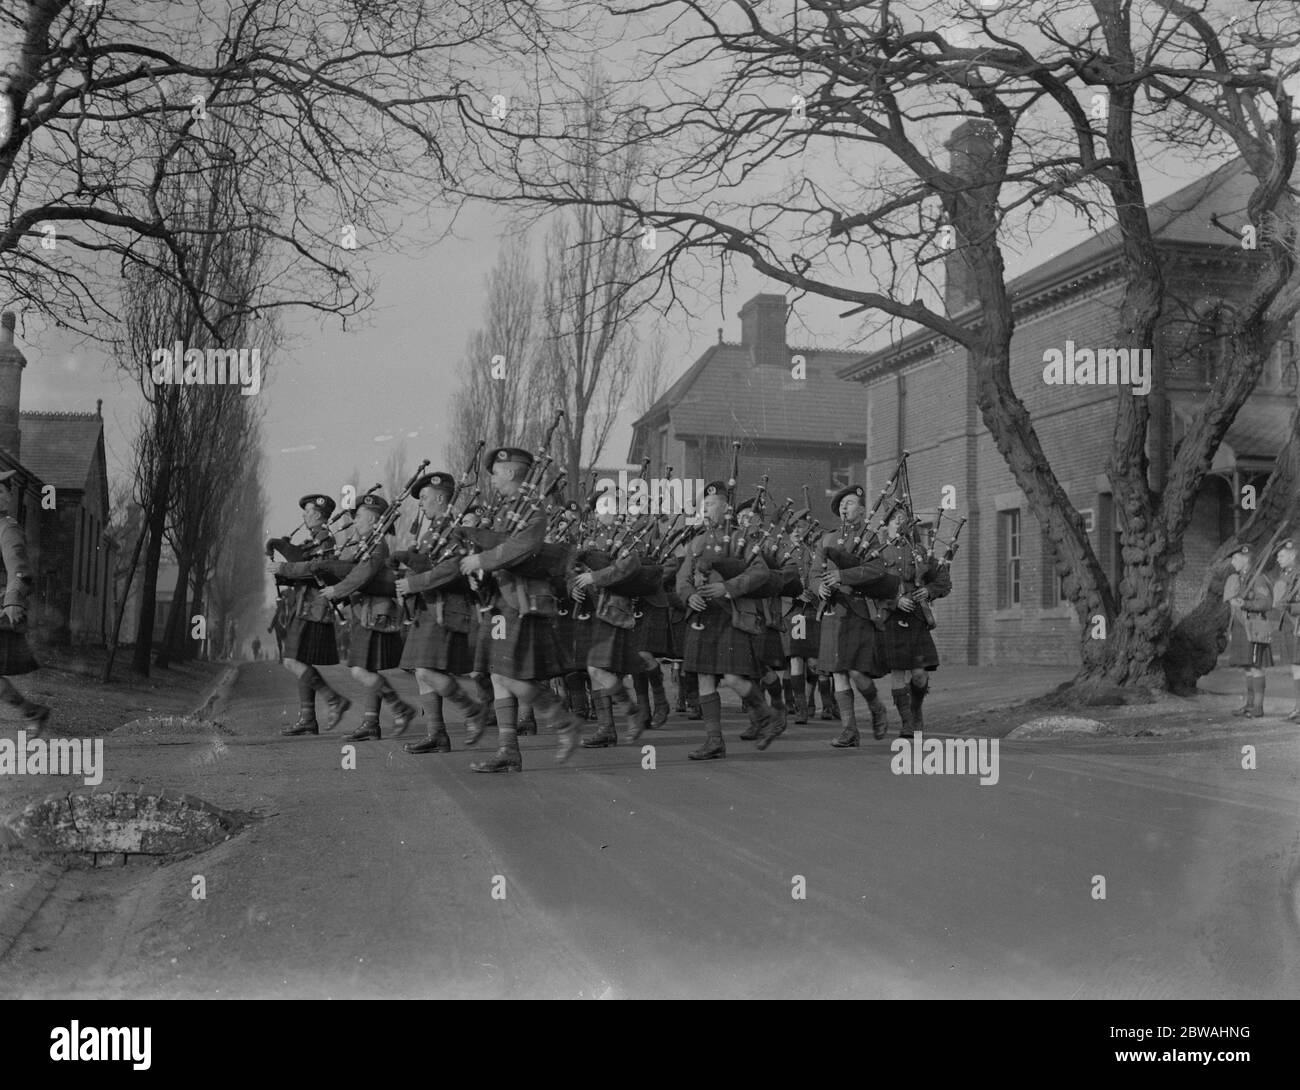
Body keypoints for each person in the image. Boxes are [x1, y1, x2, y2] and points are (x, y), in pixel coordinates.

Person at [457, 446, 579, 773]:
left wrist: (481, 560)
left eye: (496, 474)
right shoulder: (505, 511)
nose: (493, 481)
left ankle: (563, 721)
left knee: (508, 676)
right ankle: (508, 750)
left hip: (523, 602)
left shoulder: (533, 511)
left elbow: (522, 548)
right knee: (498, 675)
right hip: (501, 600)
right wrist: (480, 577)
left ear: (510, 472)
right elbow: (499, 550)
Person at [676, 481, 780, 759]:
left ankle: (767, 715)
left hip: (731, 615)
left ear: (725, 507)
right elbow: (682, 578)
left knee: (734, 677)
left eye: (711, 504)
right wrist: (688, 597)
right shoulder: (697, 541)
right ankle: (714, 740)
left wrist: (728, 587)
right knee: (704, 677)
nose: (706, 509)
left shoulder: (739, 539)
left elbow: (760, 573)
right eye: (703, 505)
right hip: (703, 616)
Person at [393, 471, 486, 753]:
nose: (420, 504)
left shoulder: (455, 528)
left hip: (446, 608)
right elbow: (429, 564)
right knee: (422, 674)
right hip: (429, 607)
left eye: (424, 498)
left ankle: (473, 712)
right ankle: (437, 734)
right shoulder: (434, 530)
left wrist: (413, 582)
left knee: (426, 670)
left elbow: (452, 568)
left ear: (441, 497)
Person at [320, 493, 417, 740]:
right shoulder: (367, 544)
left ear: (375, 521)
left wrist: (336, 590)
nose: (356, 521)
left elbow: (362, 574)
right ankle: (371, 724)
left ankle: (400, 709)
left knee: (361, 671)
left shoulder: (377, 545)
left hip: (376, 614)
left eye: (360, 517)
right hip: (367, 613)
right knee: (368, 669)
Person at [815, 485, 900, 746]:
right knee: (838, 672)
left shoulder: (872, 538)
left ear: (861, 510)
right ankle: (849, 730)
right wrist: (816, 586)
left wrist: (843, 575)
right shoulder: (826, 539)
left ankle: (876, 706)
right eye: (842, 503)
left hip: (858, 610)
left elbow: (876, 570)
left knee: (855, 670)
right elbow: (813, 574)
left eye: (850, 503)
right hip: (832, 611)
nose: (844, 507)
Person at [267, 493, 350, 735]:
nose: (304, 515)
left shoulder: (325, 540)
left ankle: (334, 700)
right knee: (300, 660)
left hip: (313, 609)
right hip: (306, 606)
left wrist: (284, 567)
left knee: (293, 660)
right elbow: (303, 567)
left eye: (308, 511)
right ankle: (308, 719)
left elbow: (317, 571)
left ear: (319, 515)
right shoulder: (316, 539)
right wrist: (284, 562)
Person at [874, 507, 951, 738]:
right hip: (892, 618)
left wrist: (928, 590)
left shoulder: (920, 552)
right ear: (886, 525)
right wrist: (894, 602)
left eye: (904, 520)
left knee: (920, 675)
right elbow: (870, 587)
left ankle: (916, 712)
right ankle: (907, 722)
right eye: (895, 520)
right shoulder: (877, 553)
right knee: (898, 672)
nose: (900, 523)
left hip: (917, 618)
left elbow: (943, 581)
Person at [0, 469, 48, 731]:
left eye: (1, 492)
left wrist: (13, 599)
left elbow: (19, 567)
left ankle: (32, 712)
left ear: (7, 497)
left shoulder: (7, 529)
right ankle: (32, 712)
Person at [1224, 543, 1273, 718]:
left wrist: (1245, 603)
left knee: (1256, 666)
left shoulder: (1258, 578)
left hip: (1254, 627)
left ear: (1246, 560)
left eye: (1236, 559)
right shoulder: (1242, 579)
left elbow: (1266, 603)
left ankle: (1258, 707)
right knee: (1247, 667)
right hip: (1242, 626)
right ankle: (1249, 704)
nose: (1233, 563)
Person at [1271, 539, 1300, 722]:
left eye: (1281, 556)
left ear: (1293, 555)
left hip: (1298, 625)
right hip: (1290, 626)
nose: (1278, 559)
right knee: (1295, 669)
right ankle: (1298, 708)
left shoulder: (1298, 576)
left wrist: (1289, 607)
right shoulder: (1285, 576)